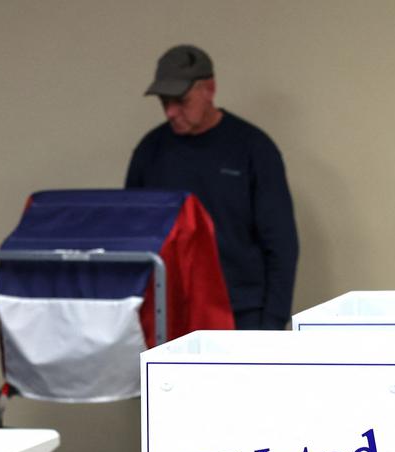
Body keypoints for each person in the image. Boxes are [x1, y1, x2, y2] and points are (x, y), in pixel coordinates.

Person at [125, 44, 299, 331]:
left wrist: (273, 321)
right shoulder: (150, 151)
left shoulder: (252, 148)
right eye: (164, 102)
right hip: (169, 312)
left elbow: (281, 243)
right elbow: (132, 236)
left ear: (209, 89)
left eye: (180, 101)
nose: (170, 112)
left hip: (240, 311)